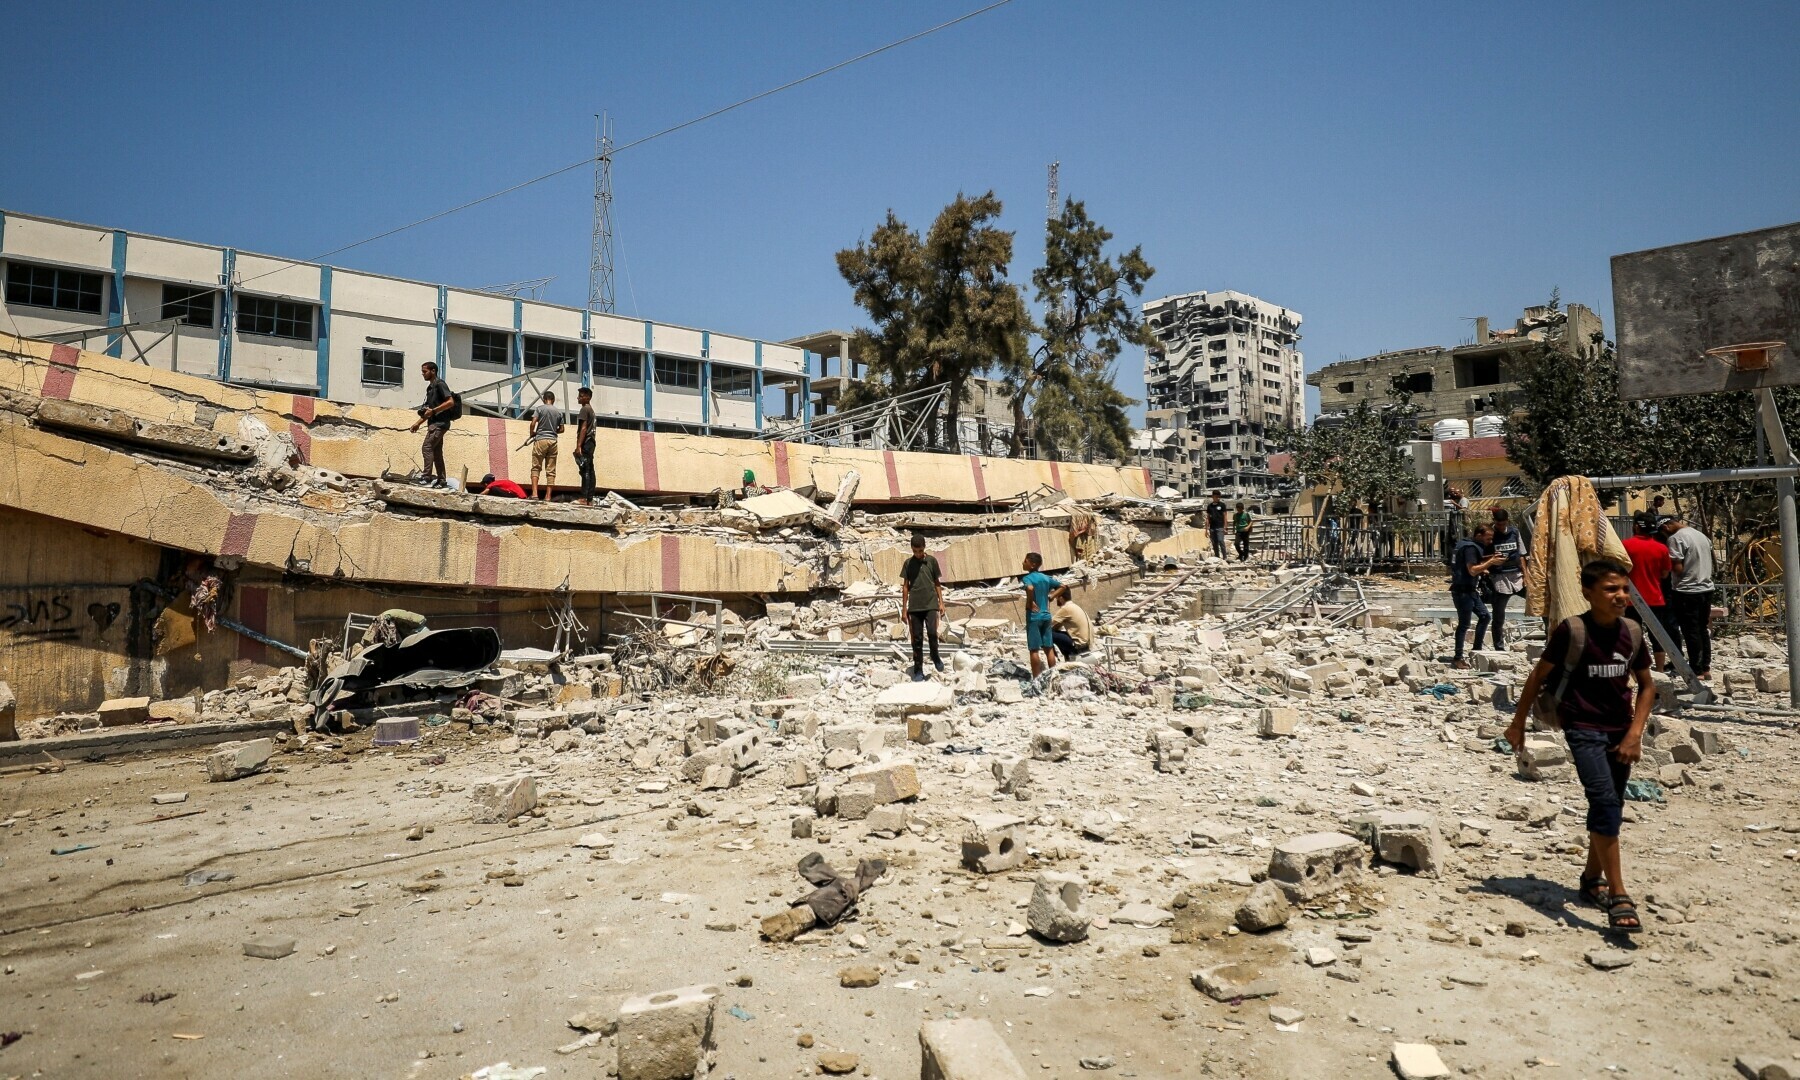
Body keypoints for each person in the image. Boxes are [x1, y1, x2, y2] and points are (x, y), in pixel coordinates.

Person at [1506, 560, 1653, 933]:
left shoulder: (1633, 632)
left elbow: (1647, 685)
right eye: (1610, 589)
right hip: (1582, 728)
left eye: (1624, 589)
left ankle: (1591, 878)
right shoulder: (1571, 630)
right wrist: (1517, 723)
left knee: (1612, 805)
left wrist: (1635, 733)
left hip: (1620, 731)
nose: (1621, 596)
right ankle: (1619, 894)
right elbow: (1537, 675)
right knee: (1603, 801)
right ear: (1588, 593)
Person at [1662, 515, 1715, 680]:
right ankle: (1705, 668)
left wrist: (1664, 567)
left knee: (1690, 631)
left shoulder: (1675, 539)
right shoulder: (1701, 536)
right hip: (1706, 588)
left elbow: (1677, 568)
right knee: (1702, 629)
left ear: (1666, 526)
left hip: (1686, 590)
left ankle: (1696, 670)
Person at [1620, 511, 1672, 671]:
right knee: (1657, 635)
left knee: (1633, 634)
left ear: (1636, 526)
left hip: (1631, 599)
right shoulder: (1661, 548)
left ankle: (1635, 670)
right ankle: (1660, 669)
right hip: (1655, 597)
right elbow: (1665, 573)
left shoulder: (1625, 545)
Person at [1450, 523, 1503, 668]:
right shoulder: (1470, 548)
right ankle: (1458, 657)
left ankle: (1477, 649)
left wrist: (1489, 559)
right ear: (1479, 535)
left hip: (1470, 590)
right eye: (1488, 539)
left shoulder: (1465, 544)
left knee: (1485, 616)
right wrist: (1491, 562)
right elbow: (1472, 570)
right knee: (1464, 624)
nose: (1490, 542)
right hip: (1463, 592)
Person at [899, 535, 945, 681]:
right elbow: (905, 587)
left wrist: (941, 602)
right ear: (912, 549)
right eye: (915, 551)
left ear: (924, 548)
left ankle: (935, 656)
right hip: (914, 607)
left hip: (931, 604)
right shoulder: (908, 563)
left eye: (920, 551)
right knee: (917, 640)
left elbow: (937, 583)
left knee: (932, 633)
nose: (918, 554)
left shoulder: (931, 561)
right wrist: (904, 609)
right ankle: (918, 669)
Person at [1486, 507, 1530, 649]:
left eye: (1504, 524)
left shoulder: (1514, 532)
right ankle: (1499, 647)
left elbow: (1521, 554)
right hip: (1499, 578)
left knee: (1537, 603)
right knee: (1498, 615)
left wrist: (1526, 574)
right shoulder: (1490, 535)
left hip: (1517, 576)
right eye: (1499, 524)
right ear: (1494, 522)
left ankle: (1549, 638)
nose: (1501, 527)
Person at [409, 361, 456, 487]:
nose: (423, 374)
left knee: (427, 447)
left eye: (425, 371)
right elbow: (429, 411)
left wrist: (434, 411)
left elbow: (451, 402)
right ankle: (441, 480)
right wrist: (418, 423)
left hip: (440, 424)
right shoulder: (430, 388)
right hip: (434, 423)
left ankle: (426, 477)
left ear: (433, 371)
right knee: (436, 452)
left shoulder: (440, 384)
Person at [1020, 552, 1060, 677]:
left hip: (1034, 617)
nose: (1023, 563)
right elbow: (1063, 586)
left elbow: (1030, 588)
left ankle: (1036, 679)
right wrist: (1052, 596)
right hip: (1046, 616)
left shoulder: (1027, 578)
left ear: (1032, 565)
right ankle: (1053, 675)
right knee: (1048, 647)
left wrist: (1030, 602)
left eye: (1025, 561)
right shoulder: (1045, 578)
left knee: (1034, 649)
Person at [525, 391, 565, 500]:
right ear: (553, 399)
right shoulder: (559, 412)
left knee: (536, 467)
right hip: (553, 441)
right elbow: (562, 429)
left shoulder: (539, 409)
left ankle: (534, 494)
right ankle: (548, 496)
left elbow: (533, 423)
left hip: (540, 440)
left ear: (544, 399)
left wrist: (532, 433)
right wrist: (553, 430)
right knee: (551, 470)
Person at [1049, 585, 1092, 661]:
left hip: (1078, 646)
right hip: (1086, 645)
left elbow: (1048, 624)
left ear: (1061, 598)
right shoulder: (1074, 606)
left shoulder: (1066, 609)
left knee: (1047, 633)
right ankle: (1067, 657)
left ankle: (1053, 658)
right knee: (1054, 633)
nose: (1056, 600)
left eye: (1056, 598)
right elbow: (1057, 625)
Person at [573, 386, 598, 505]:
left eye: (581, 396)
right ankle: (590, 498)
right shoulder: (591, 410)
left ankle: (584, 497)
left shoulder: (584, 409)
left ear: (587, 398)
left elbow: (583, 428)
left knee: (585, 470)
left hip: (586, 442)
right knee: (590, 470)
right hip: (591, 442)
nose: (578, 398)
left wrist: (578, 446)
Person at [1204, 492, 1228, 559]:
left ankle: (1225, 557)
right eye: (1216, 496)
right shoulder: (1210, 506)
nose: (1218, 498)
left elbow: (1225, 516)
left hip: (1220, 526)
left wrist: (1225, 527)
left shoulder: (1222, 505)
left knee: (1221, 541)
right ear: (1213, 497)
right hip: (1212, 527)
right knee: (1214, 543)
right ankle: (1217, 556)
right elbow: (1208, 518)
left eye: (1219, 497)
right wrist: (1206, 529)